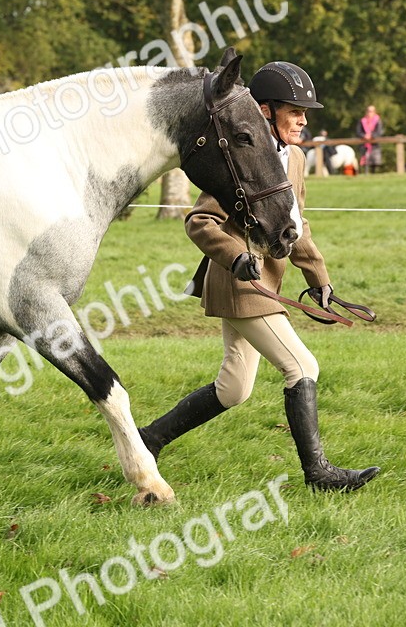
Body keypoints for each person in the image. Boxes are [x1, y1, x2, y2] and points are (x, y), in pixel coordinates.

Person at [139, 61, 380, 492]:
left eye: (306, 113)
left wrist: (318, 277)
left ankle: (146, 441)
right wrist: (234, 257)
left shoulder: (298, 159)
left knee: (234, 388)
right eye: (294, 111)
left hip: (266, 282)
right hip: (241, 283)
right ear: (265, 112)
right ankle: (319, 474)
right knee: (302, 365)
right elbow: (199, 220)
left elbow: (295, 223)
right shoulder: (242, 155)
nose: (304, 120)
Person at [357, 105, 383, 174]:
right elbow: (358, 132)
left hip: (375, 145)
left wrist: (371, 136)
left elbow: (379, 132)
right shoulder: (362, 121)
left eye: (371, 111)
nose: (370, 113)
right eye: (368, 111)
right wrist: (364, 136)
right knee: (366, 161)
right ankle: (366, 174)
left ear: (374, 112)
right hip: (364, 145)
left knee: (375, 162)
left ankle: (373, 174)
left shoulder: (378, 120)